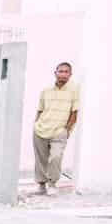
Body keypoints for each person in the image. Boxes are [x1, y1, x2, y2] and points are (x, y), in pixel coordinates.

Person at [32, 61, 79, 195]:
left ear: (70, 74)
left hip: (59, 131)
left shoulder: (74, 90)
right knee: (41, 159)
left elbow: (75, 112)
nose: (63, 74)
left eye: (66, 72)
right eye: (61, 71)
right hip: (41, 129)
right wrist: (36, 124)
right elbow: (40, 110)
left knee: (55, 157)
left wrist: (67, 129)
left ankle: (52, 184)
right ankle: (41, 184)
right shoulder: (46, 90)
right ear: (55, 73)